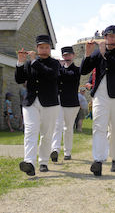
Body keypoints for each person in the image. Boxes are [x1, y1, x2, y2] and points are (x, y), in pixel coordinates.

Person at [80, 25, 115, 176]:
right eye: (110, 36)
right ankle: (98, 160)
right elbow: (83, 70)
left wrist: (103, 54)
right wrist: (88, 54)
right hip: (100, 95)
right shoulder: (98, 52)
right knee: (99, 127)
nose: (113, 38)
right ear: (105, 37)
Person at [15, 35, 60, 176]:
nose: (44, 50)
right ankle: (29, 162)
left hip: (50, 104)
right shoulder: (29, 64)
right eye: (41, 47)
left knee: (46, 134)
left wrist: (34, 61)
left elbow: (51, 75)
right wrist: (21, 63)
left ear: (50, 49)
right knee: (30, 131)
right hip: (31, 103)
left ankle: (43, 161)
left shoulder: (55, 63)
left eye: (46, 47)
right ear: (36, 48)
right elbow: (19, 79)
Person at [50, 46, 80, 162]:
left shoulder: (76, 70)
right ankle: (55, 150)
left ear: (73, 55)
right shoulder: (59, 70)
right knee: (57, 126)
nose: (66, 57)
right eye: (65, 55)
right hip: (59, 102)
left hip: (72, 103)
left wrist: (60, 67)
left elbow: (70, 76)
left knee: (68, 128)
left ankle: (67, 152)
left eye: (69, 55)